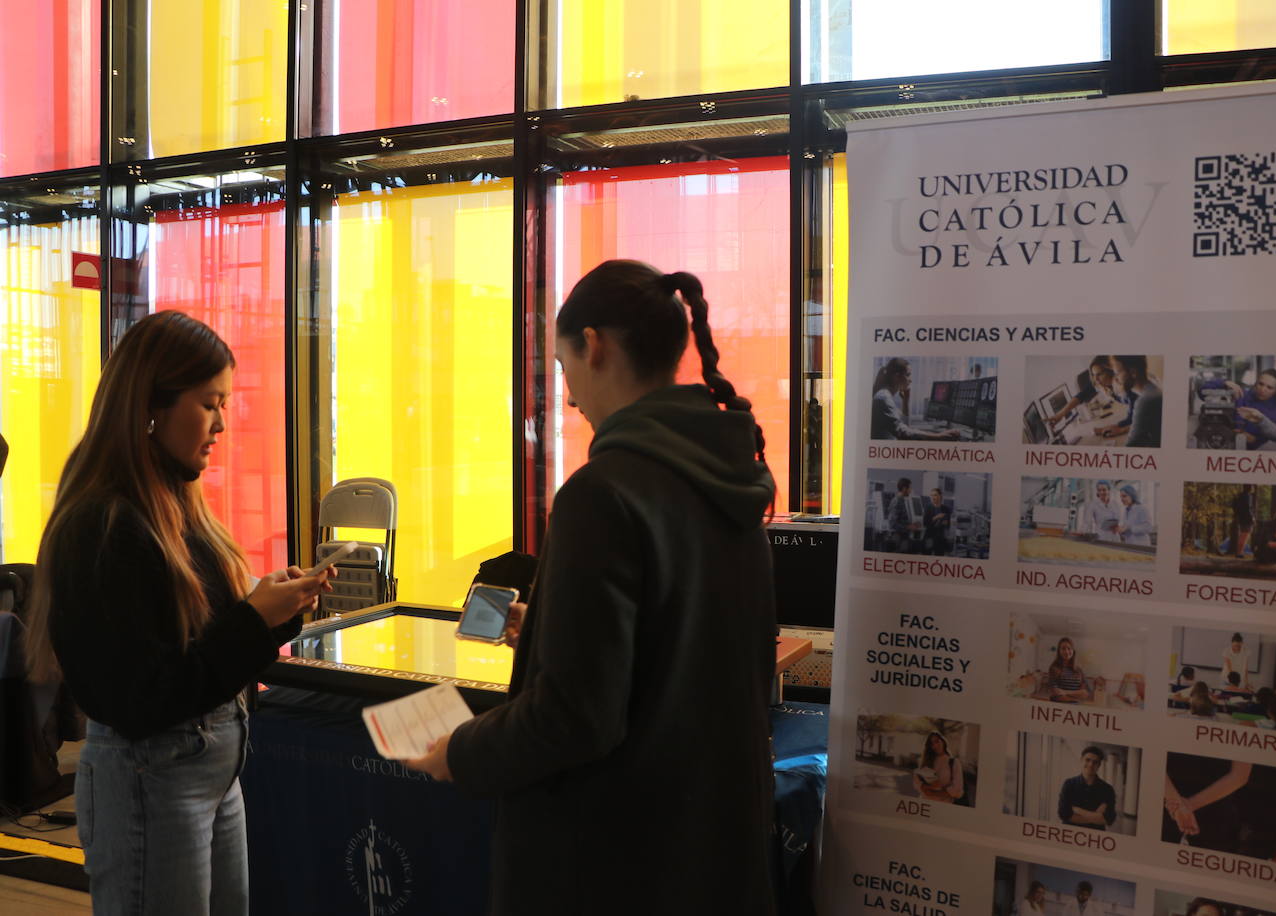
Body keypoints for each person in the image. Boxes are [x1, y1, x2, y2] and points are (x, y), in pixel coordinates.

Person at [403, 261, 778, 913]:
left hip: (614, 863)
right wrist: (549, 628)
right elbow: (683, 652)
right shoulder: (731, 478)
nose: (569, 396)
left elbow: (575, 719)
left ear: (595, 345)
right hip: (713, 852)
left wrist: (460, 753)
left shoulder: (602, 495)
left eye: (563, 365)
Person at [23, 311, 331, 915]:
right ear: (152, 404)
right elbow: (141, 697)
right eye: (209, 403)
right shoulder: (103, 525)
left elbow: (199, 645)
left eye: (226, 404)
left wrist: (272, 611)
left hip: (210, 774)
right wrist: (253, 622)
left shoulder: (175, 504)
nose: (221, 425)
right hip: (151, 779)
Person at [871, 358, 960, 441]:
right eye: (908, 375)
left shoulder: (885, 396)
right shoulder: (883, 398)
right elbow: (903, 434)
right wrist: (939, 436)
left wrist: (906, 400)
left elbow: (904, 426)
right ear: (897, 376)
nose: (910, 380)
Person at [1209, 368, 1276, 450]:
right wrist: (1223, 383)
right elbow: (1202, 391)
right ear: (1256, 383)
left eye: (1269, 387)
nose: (1263, 389)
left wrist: (1255, 440)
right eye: (1260, 384)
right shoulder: (1241, 395)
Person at [1094, 355, 1162, 447]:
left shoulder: (1144, 401)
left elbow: (1131, 446)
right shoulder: (1151, 387)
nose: (1115, 378)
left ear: (1133, 372)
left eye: (1117, 373)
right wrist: (1122, 429)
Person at [1057, 746, 1117, 830]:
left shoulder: (1107, 789)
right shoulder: (1069, 784)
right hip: (1070, 832)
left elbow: (1109, 819)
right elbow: (1063, 814)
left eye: (1095, 762)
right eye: (1087, 760)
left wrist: (1078, 811)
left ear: (1099, 765)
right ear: (1081, 760)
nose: (1090, 764)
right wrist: (1096, 817)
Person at [1047, 356, 1115, 425]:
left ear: (1109, 370)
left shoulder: (1121, 383)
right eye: (1094, 375)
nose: (1096, 379)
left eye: (1099, 374)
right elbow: (1081, 396)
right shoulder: (1099, 384)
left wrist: (1121, 428)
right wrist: (1060, 415)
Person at [914, 731, 964, 803]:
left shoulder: (954, 762)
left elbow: (957, 790)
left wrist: (933, 793)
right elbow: (916, 781)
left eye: (937, 741)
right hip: (924, 802)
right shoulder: (927, 760)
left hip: (943, 805)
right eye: (931, 744)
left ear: (943, 741)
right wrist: (926, 787)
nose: (935, 745)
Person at [1047, 636, 1093, 702]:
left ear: (1073, 651)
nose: (1066, 651)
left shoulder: (1079, 670)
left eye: (1069, 648)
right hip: (1057, 708)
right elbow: (1056, 693)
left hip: (1075, 710)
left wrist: (1065, 692)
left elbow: (1086, 693)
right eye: (1063, 648)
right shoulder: (1054, 668)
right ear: (1059, 651)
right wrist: (1077, 698)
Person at [884, 477, 922, 554]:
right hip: (898, 538)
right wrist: (908, 527)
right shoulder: (897, 501)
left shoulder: (903, 500)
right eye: (910, 488)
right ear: (904, 488)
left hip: (904, 537)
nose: (911, 490)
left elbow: (902, 520)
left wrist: (913, 525)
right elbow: (892, 523)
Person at [923, 487, 952, 556]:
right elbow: (925, 523)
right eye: (932, 495)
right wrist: (937, 517)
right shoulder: (928, 507)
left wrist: (946, 524)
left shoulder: (946, 509)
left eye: (935, 495)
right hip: (929, 537)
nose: (933, 497)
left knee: (939, 557)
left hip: (940, 538)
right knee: (926, 556)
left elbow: (948, 525)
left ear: (940, 496)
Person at [1231, 484, 1256, 558]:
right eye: (1252, 486)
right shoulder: (1248, 496)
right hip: (1247, 519)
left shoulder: (1240, 495)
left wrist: (1237, 515)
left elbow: (1235, 506)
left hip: (1241, 518)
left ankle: (1239, 552)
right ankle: (1239, 553)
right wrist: (1252, 518)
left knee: (1242, 535)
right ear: (1250, 488)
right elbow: (1248, 508)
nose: (1253, 488)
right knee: (1244, 536)